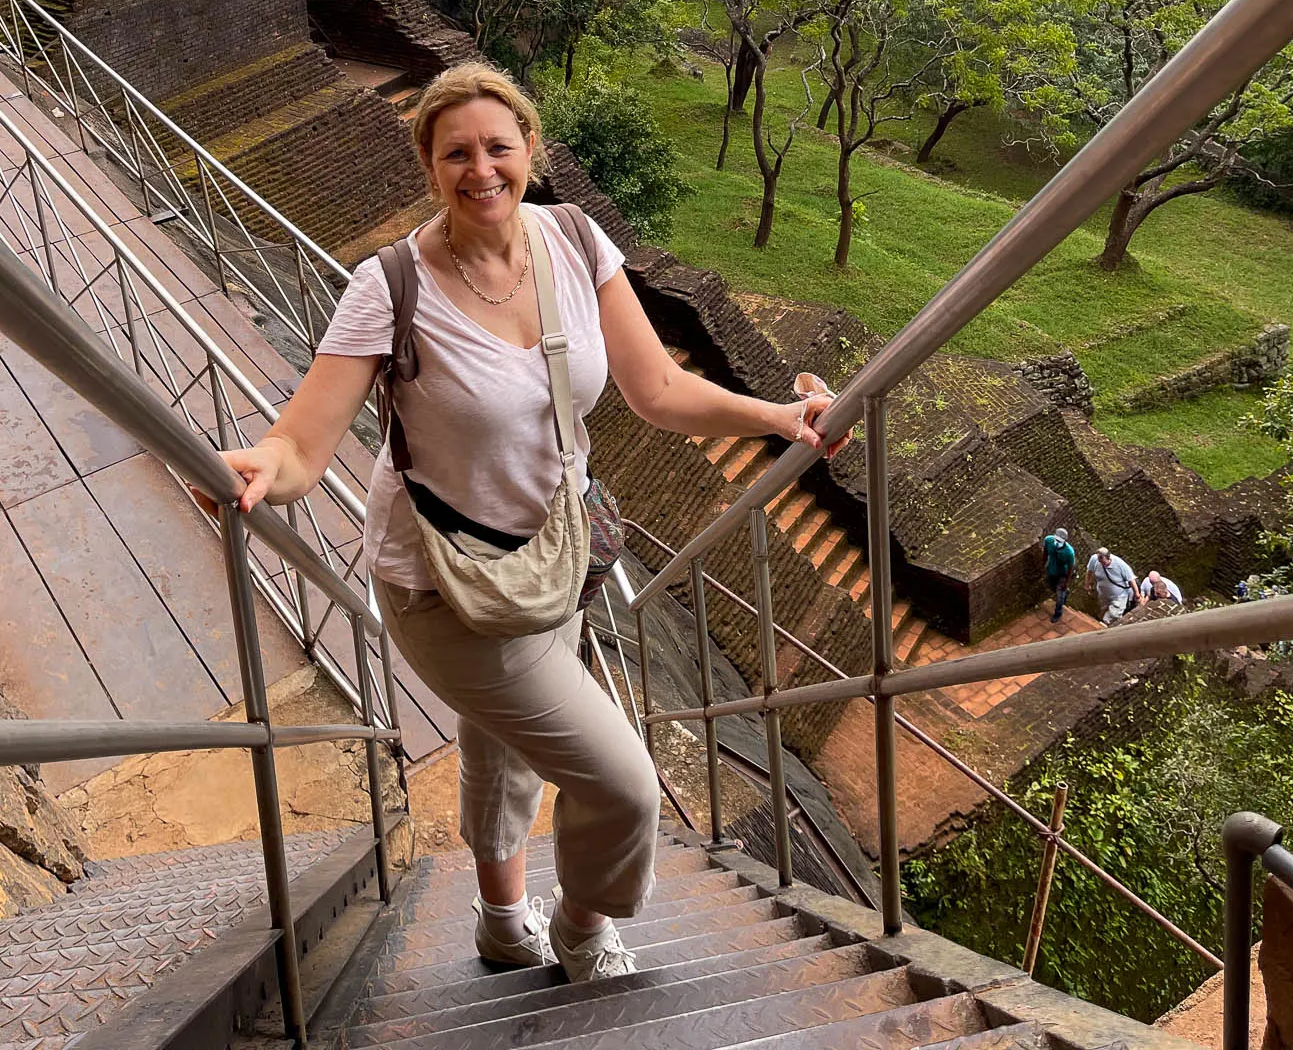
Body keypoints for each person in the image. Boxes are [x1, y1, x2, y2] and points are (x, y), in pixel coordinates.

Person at [214, 62, 845, 984]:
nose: (481, 170)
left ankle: (505, 920)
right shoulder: (389, 286)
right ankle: (583, 933)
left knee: (501, 736)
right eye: (456, 152)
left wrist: (780, 419)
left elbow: (656, 389)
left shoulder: (576, 240)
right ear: (429, 166)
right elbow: (302, 445)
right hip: (443, 579)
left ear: (529, 151)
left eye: (498, 147)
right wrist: (259, 468)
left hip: (552, 552)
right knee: (624, 786)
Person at [1086, 546, 1140, 625]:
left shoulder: (1120, 564)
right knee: (1103, 611)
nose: (1101, 564)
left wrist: (1137, 594)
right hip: (1103, 594)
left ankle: (1103, 628)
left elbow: (1131, 580)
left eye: (1103, 562)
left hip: (1119, 596)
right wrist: (1087, 584)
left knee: (1112, 616)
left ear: (1108, 558)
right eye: (1099, 561)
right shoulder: (1094, 559)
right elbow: (1089, 571)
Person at [1043, 526, 1076, 621]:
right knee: (1052, 586)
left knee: (1059, 595)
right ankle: (1065, 593)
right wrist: (1043, 565)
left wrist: (1066, 583)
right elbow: (1045, 553)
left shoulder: (1069, 552)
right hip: (1051, 569)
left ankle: (1058, 612)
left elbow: (1070, 568)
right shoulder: (1048, 540)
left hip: (1063, 574)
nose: (1057, 543)